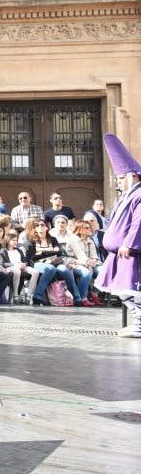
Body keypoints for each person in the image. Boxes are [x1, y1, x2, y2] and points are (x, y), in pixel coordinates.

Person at [94, 135, 141, 337]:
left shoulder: (139, 195)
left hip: (129, 253)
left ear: (133, 176)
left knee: (131, 289)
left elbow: (139, 222)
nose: (118, 181)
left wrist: (129, 244)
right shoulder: (127, 196)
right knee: (122, 289)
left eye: (121, 178)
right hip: (119, 253)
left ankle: (139, 325)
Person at [65, 220, 100, 307]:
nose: (90, 229)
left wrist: (93, 262)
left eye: (90, 227)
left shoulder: (89, 239)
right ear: (80, 229)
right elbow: (80, 255)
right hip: (74, 263)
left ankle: (94, 292)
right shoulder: (73, 239)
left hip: (88, 263)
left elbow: (94, 255)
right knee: (87, 272)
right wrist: (88, 264)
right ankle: (82, 298)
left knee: (104, 271)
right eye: (87, 228)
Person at [0, 231, 29, 303]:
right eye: (13, 240)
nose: (15, 242)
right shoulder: (3, 251)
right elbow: (4, 264)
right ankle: (15, 294)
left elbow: (24, 260)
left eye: (16, 240)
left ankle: (29, 296)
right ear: (8, 241)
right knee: (17, 270)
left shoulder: (19, 250)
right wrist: (15, 264)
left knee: (35, 272)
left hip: (20, 266)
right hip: (10, 267)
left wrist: (24, 264)